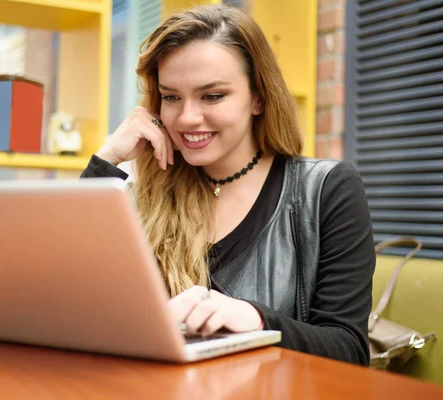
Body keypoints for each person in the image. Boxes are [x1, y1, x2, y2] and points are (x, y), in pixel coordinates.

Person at [81, 4, 375, 365]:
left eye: (213, 95)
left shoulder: (326, 189)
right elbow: (65, 296)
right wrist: (107, 160)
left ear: (258, 97)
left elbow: (349, 349)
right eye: (171, 96)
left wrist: (257, 320)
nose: (187, 118)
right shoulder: (144, 194)